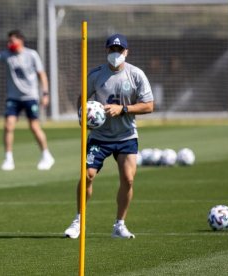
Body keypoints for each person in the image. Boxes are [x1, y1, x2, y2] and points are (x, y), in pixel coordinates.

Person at [64, 33, 154, 239]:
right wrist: (83, 117)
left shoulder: (136, 74)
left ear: (126, 52)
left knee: (128, 179)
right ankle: (78, 220)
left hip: (126, 137)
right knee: (87, 175)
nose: (116, 54)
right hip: (99, 137)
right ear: (106, 51)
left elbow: (149, 106)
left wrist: (122, 109)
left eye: (119, 50)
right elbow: (82, 98)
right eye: (112, 50)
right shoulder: (95, 74)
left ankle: (119, 225)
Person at [0, 30, 54, 171]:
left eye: (11, 41)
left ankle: (46, 155)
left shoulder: (31, 55)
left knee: (34, 127)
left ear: (20, 40)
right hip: (13, 98)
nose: (9, 44)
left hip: (30, 97)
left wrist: (45, 94)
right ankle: (8, 159)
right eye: (8, 41)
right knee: (8, 126)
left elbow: (42, 75)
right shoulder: (6, 55)